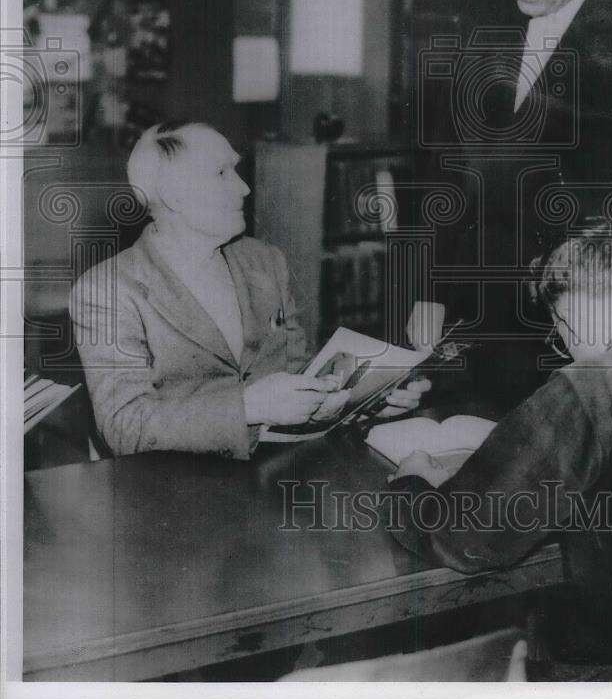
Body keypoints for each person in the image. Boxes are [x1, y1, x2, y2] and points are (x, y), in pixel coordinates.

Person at [70, 121, 428, 459]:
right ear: (173, 195)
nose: (244, 187)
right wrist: (248, 408)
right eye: (222, 173)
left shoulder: (264, 261)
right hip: (172, 490)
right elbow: (123, 428)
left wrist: (367, 399)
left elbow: (299, 369)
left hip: (277, 470)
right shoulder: (108, 291)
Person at [422, 0, 612, 406]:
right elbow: (451, 167)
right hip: (477, 317)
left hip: (576, 324)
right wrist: (430, 293)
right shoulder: (482, 20)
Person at [387, 221, 612, 678]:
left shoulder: (591, 384)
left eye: (558, 325)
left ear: (573, 309)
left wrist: (412, 482)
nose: (562, 344)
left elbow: (465, 539)